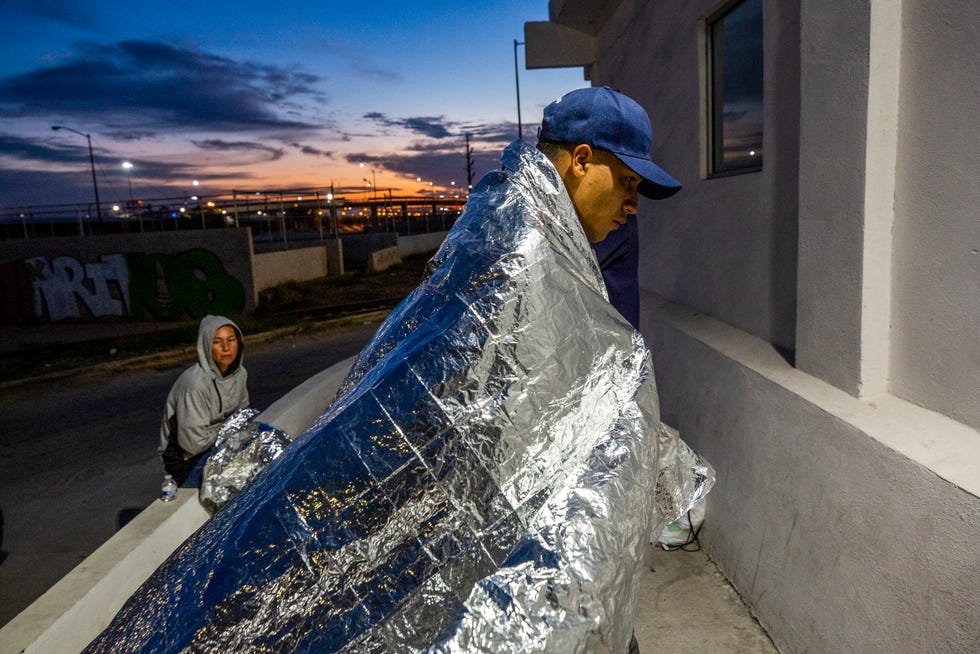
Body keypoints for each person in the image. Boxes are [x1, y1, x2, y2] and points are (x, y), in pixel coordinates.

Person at [89, 87, 710, 654]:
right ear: (580, 161)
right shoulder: (524, 250)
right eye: (627, 182)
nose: (632, 204)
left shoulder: (518, 226)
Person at [158, 314, 248, 486]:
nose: (226, 347)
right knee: (239, 476)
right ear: (206, 346)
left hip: (218, 443)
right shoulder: (194, 384)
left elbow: (243, 414)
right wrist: (227, 432)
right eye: (217, 342)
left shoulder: (240, 374)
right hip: (185, 460)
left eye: (231, 340)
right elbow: (193, 444)